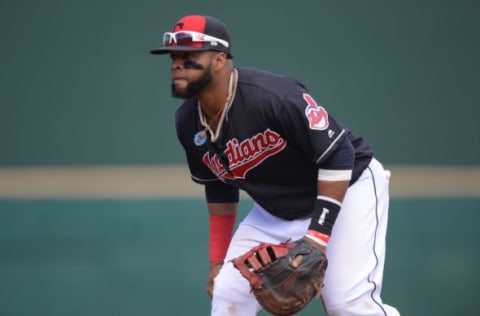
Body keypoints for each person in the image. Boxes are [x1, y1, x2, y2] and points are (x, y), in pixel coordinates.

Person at [150, 14, 400, 316]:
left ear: (219, 59)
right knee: (229, 291)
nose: (177, 64)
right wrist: (217, 261)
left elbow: (340, 154)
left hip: (348, 189)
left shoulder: (273, 97)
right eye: (174, 57)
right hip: (277, 210)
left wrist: (317, 237)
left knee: (346, 304)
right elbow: (218, 186)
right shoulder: (187, 121)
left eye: (189, 56)